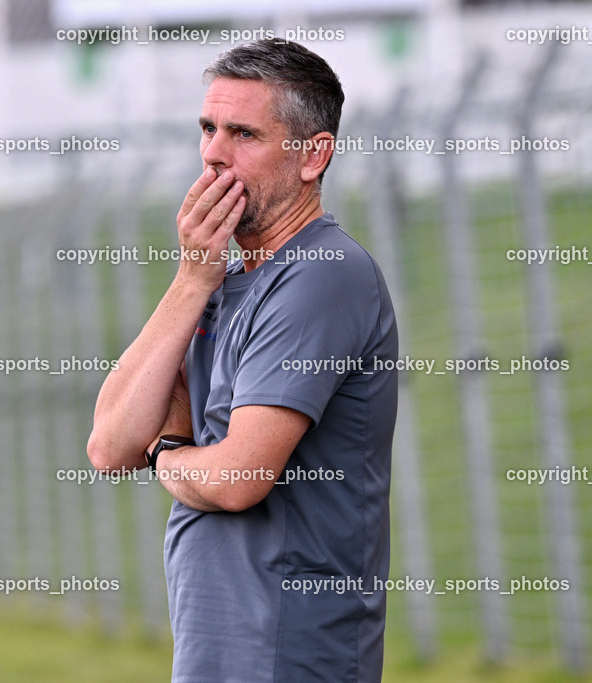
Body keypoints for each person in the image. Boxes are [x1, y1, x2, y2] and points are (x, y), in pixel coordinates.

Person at [87, 38, 398, 682]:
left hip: (286, 650)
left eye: (243, 134)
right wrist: (191, 281)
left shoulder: (323, 274)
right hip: (216, 650)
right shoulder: (216, 280)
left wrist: (167, 454)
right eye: (208, 129)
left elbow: (236, 480)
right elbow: (110, 448)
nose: (213, 154)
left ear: (313, 156)